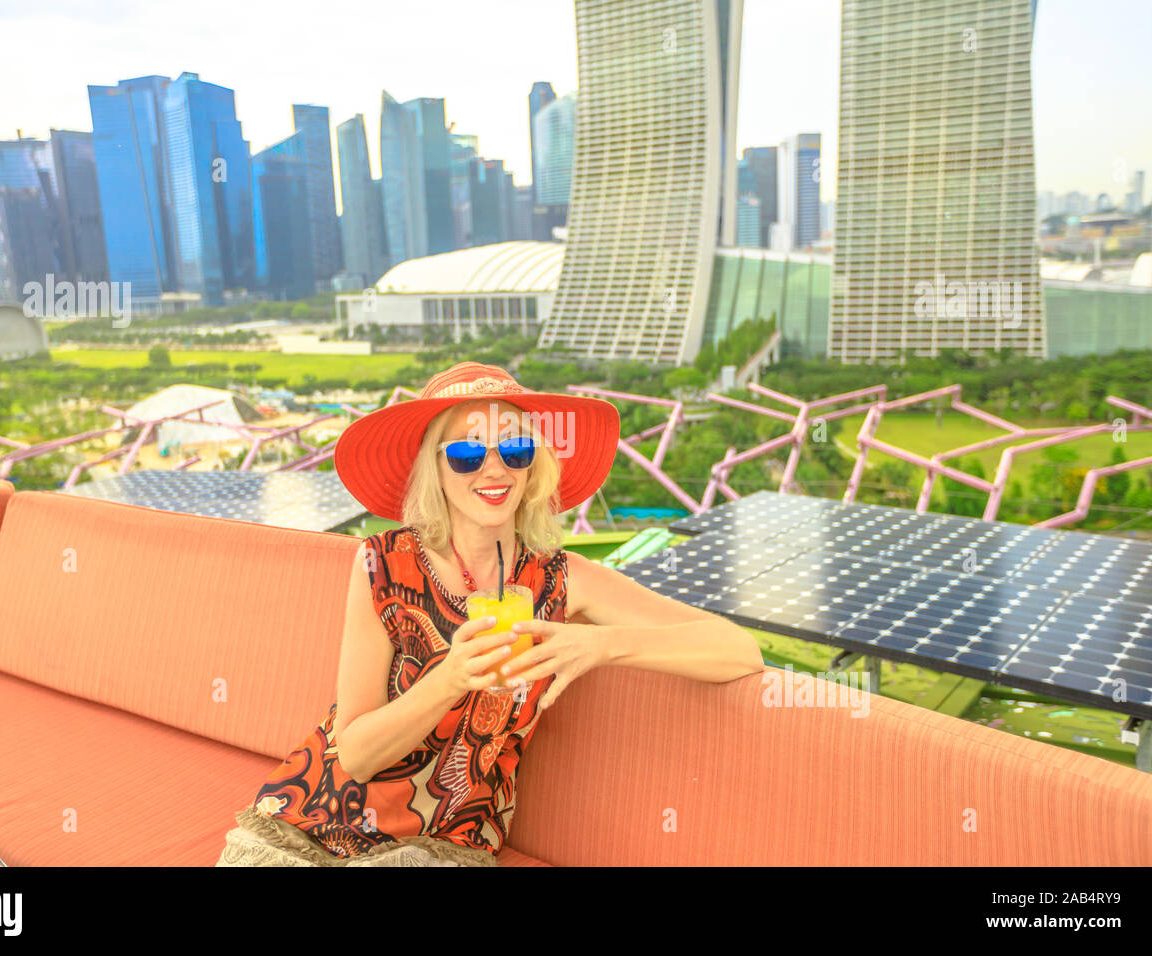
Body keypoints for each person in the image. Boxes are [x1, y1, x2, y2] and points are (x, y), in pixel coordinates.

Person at [216, 361, 765, 867]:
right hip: (317, 818)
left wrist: (601, 644)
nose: (494, 469)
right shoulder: (383, 564)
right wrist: (451, 679)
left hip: (445, 841)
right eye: (467, 454)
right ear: (436, 468)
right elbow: (355, 755)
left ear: (534, 466)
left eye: (516, 449)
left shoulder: (561, 579)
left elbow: (737, 650)